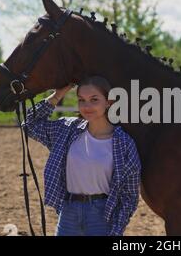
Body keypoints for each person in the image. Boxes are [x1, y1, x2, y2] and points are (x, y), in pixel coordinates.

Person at [23, 76, 141, 236]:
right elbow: (29, 124)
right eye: (81, 100)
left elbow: (130, 196)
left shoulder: (124, 143)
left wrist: (116, 230)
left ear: (108, 102)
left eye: (94, 100)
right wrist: (58, 94)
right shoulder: (66, 130)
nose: (87, 106)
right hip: (68, 213)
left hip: (102, 215)